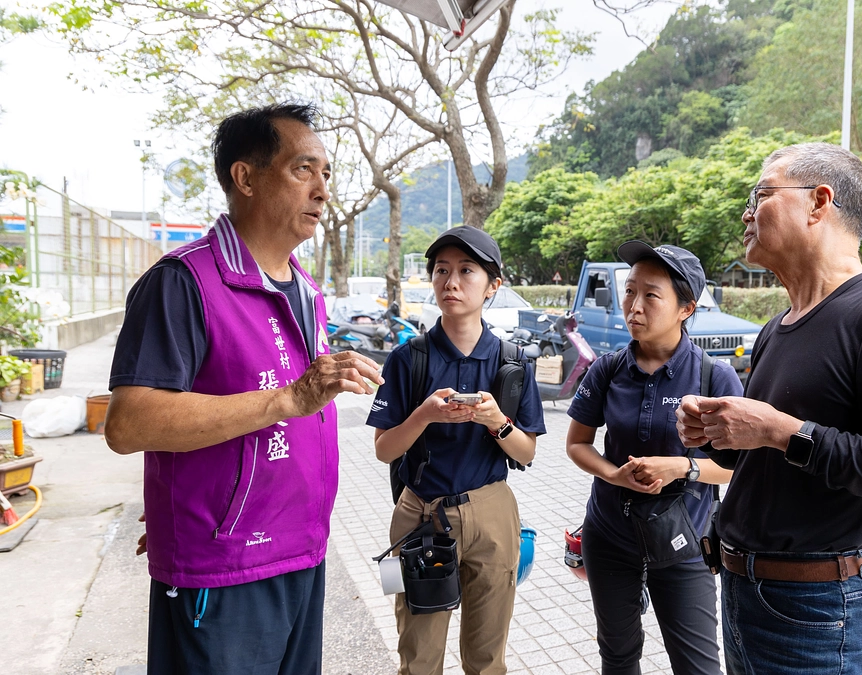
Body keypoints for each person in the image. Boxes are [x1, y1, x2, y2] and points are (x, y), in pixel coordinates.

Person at [104, 103, 383, 674]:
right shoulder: (182, 282)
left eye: (326, 174)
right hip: (226, 569)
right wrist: (287, 398)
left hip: (302, 553)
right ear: (245, 176)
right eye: (303, 169)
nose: (322, 190)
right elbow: (128, 423)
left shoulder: (305, 287)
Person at [676, 142, 862, 675]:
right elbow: (762, 455)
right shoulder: (776, 327)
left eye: (760, 194)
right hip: (743, 589)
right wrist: (717, 432)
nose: (746, 212)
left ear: (818, 202)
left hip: (816, 610)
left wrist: (782, 431)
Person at [366, 226, 546, 675]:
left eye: (467, 271)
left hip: (492, 513)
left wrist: (497, 423)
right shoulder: (409, 359)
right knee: (417, 654)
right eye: (442, 270)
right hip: (418, 515)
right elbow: (384, 450)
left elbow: (526, 454)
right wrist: (423, 416)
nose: (451, 282)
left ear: (493, 286)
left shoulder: (513, 362)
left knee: (487, 658)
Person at [565, 241, 742, 675]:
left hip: (684, 541)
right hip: (609, 536)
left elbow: (740, 466)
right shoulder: (607, 369)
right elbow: (577, 444)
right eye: (629, 291)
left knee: (697, 666)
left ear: (686, 308)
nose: (633, 306)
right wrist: (615, 476)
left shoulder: (712, 376)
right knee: (619, 656)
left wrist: (684, 466)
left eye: (651, 294)